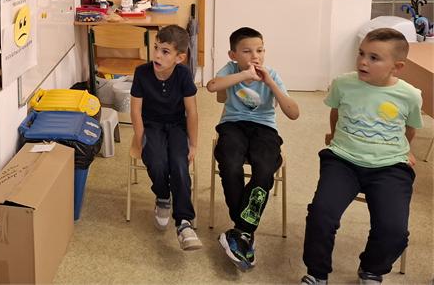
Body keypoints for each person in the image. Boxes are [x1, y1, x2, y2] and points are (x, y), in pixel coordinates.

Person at [300, 28, 422, 285]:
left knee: (394, 230)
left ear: (397, 67)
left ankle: (371, 269)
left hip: (390, 166)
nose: (363, 61)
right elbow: (336, 112)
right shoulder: (343, 84)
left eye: (374, 58)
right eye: (361, 53)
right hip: (342, 160)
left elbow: (410, 128)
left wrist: (405, 149)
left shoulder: (410, 95)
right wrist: (334, 135)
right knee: (321, 214)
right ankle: (317, 273)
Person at [205, 26, 300, 270]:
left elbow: (294, 113)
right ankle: (244, 231)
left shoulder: (272, 74)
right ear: (233, 55)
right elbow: (212, 86)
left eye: (260, 50)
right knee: (230, 164)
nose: (255, 56)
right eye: (247, 51)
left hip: (264, 129)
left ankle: (241, 230)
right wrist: (244, 75)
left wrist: (270, 82)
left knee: (265, 170)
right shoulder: (230, 69)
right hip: (233, 125)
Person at [130, 24, 202, 251]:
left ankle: (183, 222)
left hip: (177, 126)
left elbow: (192, 112)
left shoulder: (183, 75)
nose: (157, 55)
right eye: (156, 48)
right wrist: (140, 139)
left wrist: (193, 144)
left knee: (179, 164)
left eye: (165, 51)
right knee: (157, 161)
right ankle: (162, 197)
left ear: (179, 58)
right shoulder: (142, 73)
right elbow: (135, 111)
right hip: (151, 126)